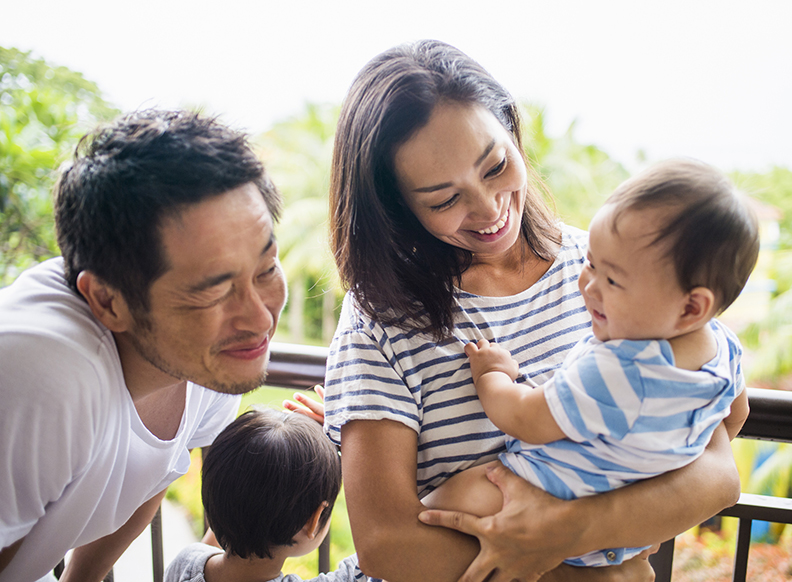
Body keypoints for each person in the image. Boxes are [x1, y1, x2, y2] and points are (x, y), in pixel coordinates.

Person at [322, 40, 744, 582]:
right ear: (396, 206)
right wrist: (588, 578)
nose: (488, 208)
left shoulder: (615, 269)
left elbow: (716, 471)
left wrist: (579, 529)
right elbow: (388, 545)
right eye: (443, 199)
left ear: (512, 132)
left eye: (495, 165)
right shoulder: (380, 322)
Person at [424, 159, 756, 568]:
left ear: (691, 307)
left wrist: (493, 374)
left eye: (612, 280)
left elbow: (526, 418)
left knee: (437, 508)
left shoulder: (618, 371)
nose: (588, 285)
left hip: (550, 493)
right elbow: (734, 416)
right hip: (629, 525)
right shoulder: (726, 348)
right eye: (591, 262)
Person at [0, 109, 287, 582]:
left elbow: (156, 474)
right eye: (213, 291)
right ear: (108, 301)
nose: (259, 318)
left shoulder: (213, 362)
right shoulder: (46, 377)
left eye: (266, 269)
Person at [164, 407, 359, 582]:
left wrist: (235, 494)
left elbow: (206, 549)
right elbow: (380, 554)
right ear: (313, 521)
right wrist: (358, 443)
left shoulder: (186, 564)